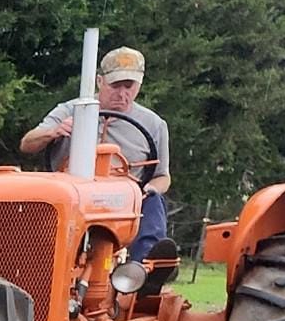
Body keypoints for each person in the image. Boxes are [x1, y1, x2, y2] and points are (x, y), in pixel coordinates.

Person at [19, 46, 172, 258]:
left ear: (139, 84)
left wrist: (146, 191)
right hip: (73, 200)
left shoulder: (154, 124)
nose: (122, 94)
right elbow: (27, 144)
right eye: (115, 85)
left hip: (124, 205)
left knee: (154, 202)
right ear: (100, 81)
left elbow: (162, 177)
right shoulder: (70, 110)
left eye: (129, 86)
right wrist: (53, 132)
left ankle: (144, 272)